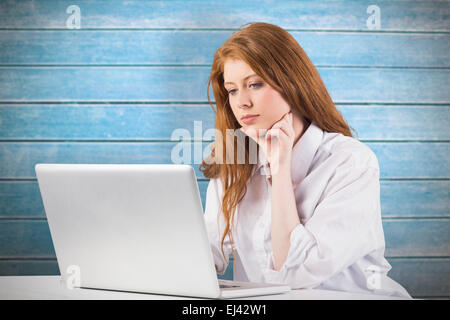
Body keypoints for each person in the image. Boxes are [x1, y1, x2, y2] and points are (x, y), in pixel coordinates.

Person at [199, 22, 411, 298]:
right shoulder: (234, 163)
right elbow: (208, 253)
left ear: (291, 83)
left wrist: (280, 167)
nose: (242, 102)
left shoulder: (350, 162)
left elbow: (296, 273)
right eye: (232, 90)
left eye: (254, 84)